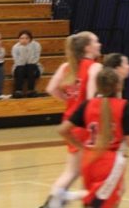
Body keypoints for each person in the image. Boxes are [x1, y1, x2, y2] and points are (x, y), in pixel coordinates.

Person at [58, 68, 129, 208]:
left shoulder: (87, 104)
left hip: (88, 160)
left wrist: (80, 146)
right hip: (109, 163)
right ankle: (68, 195)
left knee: (93, 203)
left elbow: (63, 130)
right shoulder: (125, 107)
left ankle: (71, 195)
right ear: (118, 86)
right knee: (101, 203)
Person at [43, 31, 103, 208]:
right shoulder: (94, 67)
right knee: (90, 171)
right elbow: (93, 100)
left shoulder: (65, 67)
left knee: (73, 171)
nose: (100, 44)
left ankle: (52, 204)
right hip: (84, 126)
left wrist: (69, 100)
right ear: (87, 47)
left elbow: (51, 88)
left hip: (69, 122)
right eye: (96, 41)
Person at [11, 29, 42, 97]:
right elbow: (19, 62)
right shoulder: (15, 47)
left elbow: (34, 60)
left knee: (31, 67)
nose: (24, 40)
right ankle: (18, 91)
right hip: (20, 69)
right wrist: (23, 49)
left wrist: (28, 48)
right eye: (21, 38)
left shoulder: (36, 45)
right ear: (18, 39)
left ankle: (31, 90)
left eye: (26, 38)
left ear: (30, 39)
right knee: (20, 68)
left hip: (33, 68)